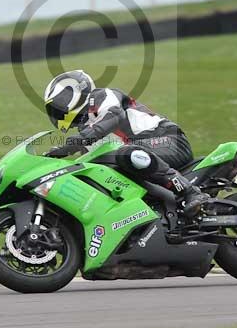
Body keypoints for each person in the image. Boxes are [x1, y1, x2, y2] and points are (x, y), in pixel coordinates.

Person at [42, 70, 210, 217]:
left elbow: (114, 116)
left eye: (59, 104)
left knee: (126, 153)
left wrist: (74, 144)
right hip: (144, 155)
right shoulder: (87, 130)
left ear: (77, 92)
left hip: (169, 140)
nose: (58, 112)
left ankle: (191, 193)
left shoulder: (103, 96)